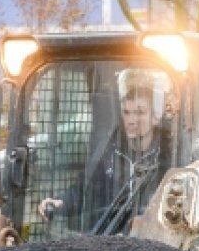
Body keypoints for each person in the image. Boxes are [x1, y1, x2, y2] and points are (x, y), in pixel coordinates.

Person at [37, 73, 168, 235]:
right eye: (127, 112)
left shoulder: (169, 156)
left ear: (155, 117)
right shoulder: (111, 151)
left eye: (139, 113)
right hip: (109, 241)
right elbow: (85, 188)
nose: (131, 120)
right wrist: (61, 201)